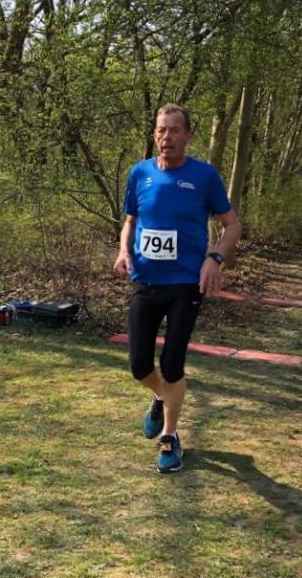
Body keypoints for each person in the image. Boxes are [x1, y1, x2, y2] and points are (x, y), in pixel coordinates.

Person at [114, 103, 241, 474]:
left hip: (186, 283)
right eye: (161, 130)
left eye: (174, 130)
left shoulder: (204, 176)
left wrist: (214, 258)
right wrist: (123, 250)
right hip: (145, 280)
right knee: (139, 365)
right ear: (154, 134)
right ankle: (160, 396)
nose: (166, 137)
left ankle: (169, 437)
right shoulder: (139, 173)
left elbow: (232, 225)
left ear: (188, 135)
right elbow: (130, 220)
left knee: (172, 365)